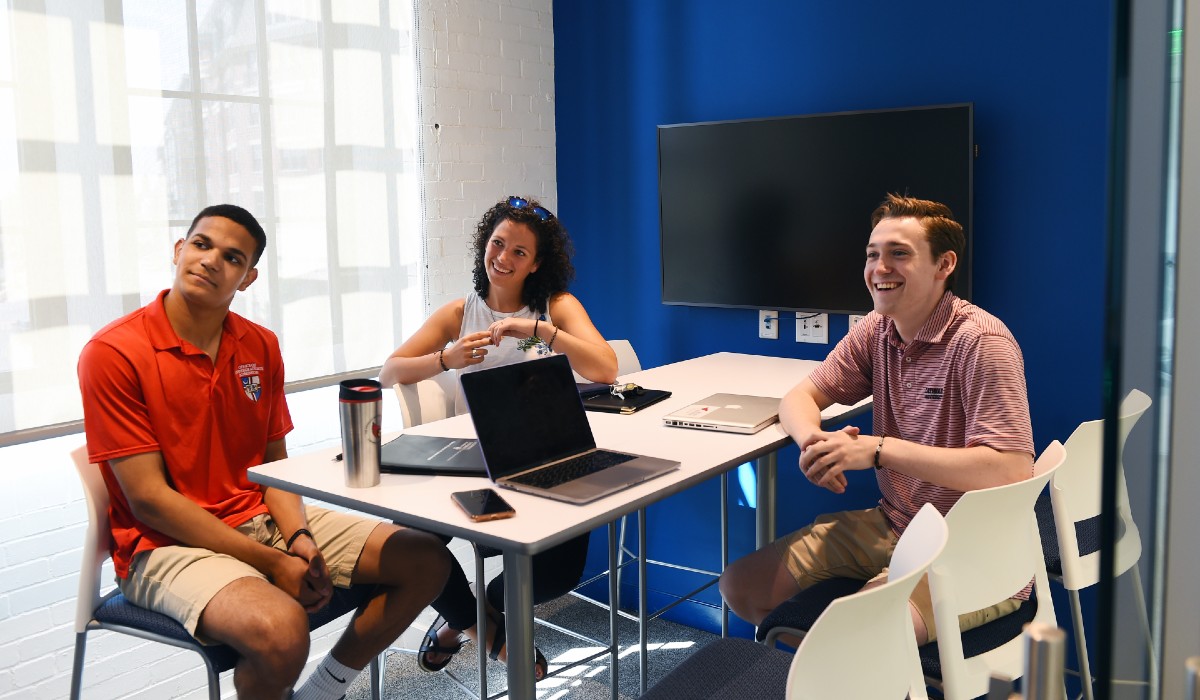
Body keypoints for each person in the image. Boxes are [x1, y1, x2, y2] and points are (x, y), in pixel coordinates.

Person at [77, 204, 452, 699]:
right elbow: (148, 499)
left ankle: (322, 691)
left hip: (257, 518)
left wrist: (297, 537)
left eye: (232, 258)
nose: (211, 261)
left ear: (248, 278)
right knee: (281, 631)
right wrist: (273, 563)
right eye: (202, 244)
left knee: (426, 560)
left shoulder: (261, 345)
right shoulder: (114, 352)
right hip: (162, 545)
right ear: (178, 250)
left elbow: (273, 467)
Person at [718, 193, 1035, 645]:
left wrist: (878, 451)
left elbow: (1009, 470)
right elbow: (800, 397)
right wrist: (815, 443)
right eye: (872, 255)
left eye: (899, 254)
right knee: (742, 587)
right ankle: (847, 676)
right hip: (897, 523)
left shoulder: (982, 342)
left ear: (944, 265)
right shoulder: (876, 329)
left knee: (861, 636)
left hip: (976, 549)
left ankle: (855, 670)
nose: (879, 268)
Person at [379, 195, 618, 679]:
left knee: (557, 575)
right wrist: (445, 360)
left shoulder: (556, 308)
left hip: (549, 461)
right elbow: (388, 372)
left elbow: (606, 368)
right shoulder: (457, 313)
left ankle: (460, 624)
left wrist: (539, 330)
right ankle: (488, 634)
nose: (503, 259)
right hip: (477, 463)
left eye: (519, 252)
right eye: (497, 244)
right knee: (413, 545)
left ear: (537, 264)